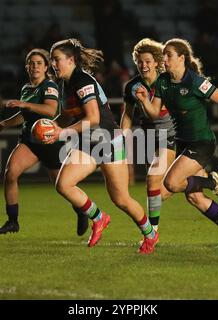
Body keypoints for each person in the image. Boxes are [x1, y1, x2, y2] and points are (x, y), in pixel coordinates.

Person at [46, 38, 159, 254]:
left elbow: (94, 118)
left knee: (121, 199)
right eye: (51, 59)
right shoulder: (66, 82)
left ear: (71, 60)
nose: (53, 64)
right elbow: (70, 114)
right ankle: (99, 218)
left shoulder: (81, 80)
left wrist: (62, 132)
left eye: (56, 59)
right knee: (64, 184)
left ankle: (150, 234)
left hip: (107, 140)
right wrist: (53, 125)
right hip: (88, 142)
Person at [135, 38, 218, 249]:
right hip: (183, 143)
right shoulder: (162, 81)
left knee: (170, 183)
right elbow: (155, 113)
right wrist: (143, 100)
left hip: (202, 142)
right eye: (163, 55)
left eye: (168, 55)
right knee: (193, 197)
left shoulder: (195, 82)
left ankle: (212, 182)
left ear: (182, 58)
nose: (163, 59)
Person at [0, 48, 88, 236]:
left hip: (49, 141)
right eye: (32, 63)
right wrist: (2, 125)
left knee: (62, 186)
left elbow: (50, 111)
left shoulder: (49, 86)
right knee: (11, 173)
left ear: (45, 67)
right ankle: (12, 221)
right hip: (30, 140)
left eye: (39, 63)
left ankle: (81, 210)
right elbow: (24, 116)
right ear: (27, 66)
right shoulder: (27, 88)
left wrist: (25, 104)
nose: (35, 66)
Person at [121, 38, 176, 232]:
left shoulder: (168, 81)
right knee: (156, 191)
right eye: (140, 61)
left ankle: (152, 232)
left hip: (169, 135)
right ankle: (198, 180)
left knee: (152, 181)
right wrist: (122, 137)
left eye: (147, 61)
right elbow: (127, 115)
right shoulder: (131, 87)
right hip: (147, 138)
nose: (143, 65)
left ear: (156, 62)